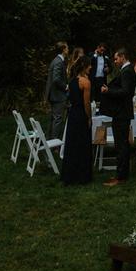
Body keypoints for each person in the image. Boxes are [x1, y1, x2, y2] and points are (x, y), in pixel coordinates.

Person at [100, 47, 136, 186]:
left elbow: (125, 92)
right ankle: (122, 173)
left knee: (121, 145)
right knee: (122, 144)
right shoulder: (127, 70)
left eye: (116, 59)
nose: (114, 62)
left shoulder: (127, 71)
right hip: (122, 112)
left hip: (122, 112)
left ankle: (120, 177)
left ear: (123, 57)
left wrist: (108, 91)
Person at [61, 55, 94, 186]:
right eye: (89, 65)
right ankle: (82, 175)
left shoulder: (73, 80)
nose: (91, 67)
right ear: (84, 66)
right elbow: (86, 103)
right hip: (81, 114)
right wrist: (89, 117)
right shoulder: (86, 82)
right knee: (82, 144)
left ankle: (70, 174)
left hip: (73, 113)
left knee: (72, 144)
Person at [44, 41, 69, 143]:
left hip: (54, 94)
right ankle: (55, 143)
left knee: (54, 118)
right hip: (57, 95)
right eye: (67, 48)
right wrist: (65, 86)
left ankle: (49, 140)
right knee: (58, 119)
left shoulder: (57, 60)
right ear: (63, 49)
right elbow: (56, 79)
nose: (68, 50)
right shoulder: (58, 61)